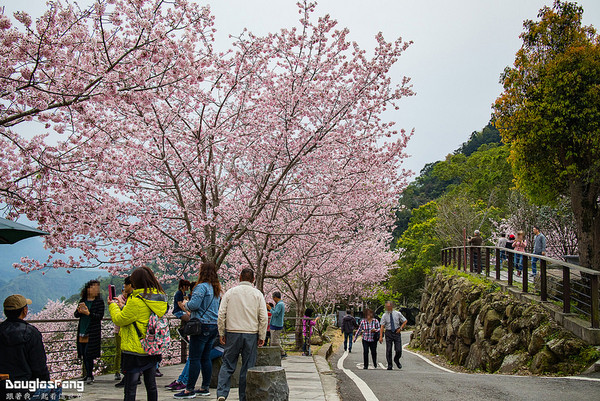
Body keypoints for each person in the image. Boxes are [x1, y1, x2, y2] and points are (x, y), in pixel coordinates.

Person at [109, 266, 168, 401]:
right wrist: (124, 307)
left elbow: (120, 319)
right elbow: (140, 316)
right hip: (152, 346)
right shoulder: (159, 298)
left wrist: (113, 306)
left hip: (135, 348)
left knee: (131, 387)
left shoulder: (136, 300)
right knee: (151, 385)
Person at [216, 268, 268, 401]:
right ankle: (243, 397)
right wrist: (262, 335)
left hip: (232, 332)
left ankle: (222, 393)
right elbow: (263, 317)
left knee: (227, 364)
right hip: (250, 333)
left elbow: (221, 314)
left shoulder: (230, 293)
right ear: (253, 279)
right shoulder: (258, 294)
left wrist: (222, 332)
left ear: (239, 278)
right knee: (248, 366)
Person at [174, 262, 221, 399]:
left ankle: (189, 390)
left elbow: (194, 305)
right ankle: (204, 387)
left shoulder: (201, 287)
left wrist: (185, 304)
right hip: (213, 326)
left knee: (194, 358)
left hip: (201, 326)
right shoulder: (216, 288)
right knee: (205, 357)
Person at [0, 295, 61, 401]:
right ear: (24, 311)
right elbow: (39, 367)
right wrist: (46, 381)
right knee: (55, 388)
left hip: (2, 388)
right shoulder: (31, 333)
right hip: (25, 389)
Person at [74, 279, 105, 384]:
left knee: (89, 354)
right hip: (82, 330)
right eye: (93, 287)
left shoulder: (99, 302)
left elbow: (99, 316)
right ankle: (87, 375)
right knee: (83, 353)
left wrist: (88, 313)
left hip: (93, 332)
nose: (95, 289)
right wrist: (79, 311)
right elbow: (76, 315)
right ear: (88, 288)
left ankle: (90, 375)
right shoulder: (83, 300)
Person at [115, 276, 134, 386]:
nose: (124, 287)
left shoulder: (133, 299)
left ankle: (128, 378)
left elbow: (121, 318)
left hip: (127, 331)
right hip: (129, 332)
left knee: (126, 354)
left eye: (125, 285)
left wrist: (113, 307)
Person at [379, 301, 407, 370]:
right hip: (388, 332)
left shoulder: (397, 313)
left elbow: (405, 321)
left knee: (398, 350)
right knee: (388, 349)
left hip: (396, 332)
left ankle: (396, 359)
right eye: (386, 307)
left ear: (392, 306)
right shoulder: (384, 315)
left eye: (389, 306)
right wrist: (381, 336)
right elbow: (382, 326)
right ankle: (389, 364)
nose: (387, 308)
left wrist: (400, 328)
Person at [269, 291, 286, 358]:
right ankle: (279, 353)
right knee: (275, 340)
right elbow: (276, 311)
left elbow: (275, 314)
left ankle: (282, 353)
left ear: (275, 297)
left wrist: (270, 309)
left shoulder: (279, 304)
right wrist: (272, 308)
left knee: (274, 341)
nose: (273, 299)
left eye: (273, 298)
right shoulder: (280, 304)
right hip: (277, 324)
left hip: (276, 325)